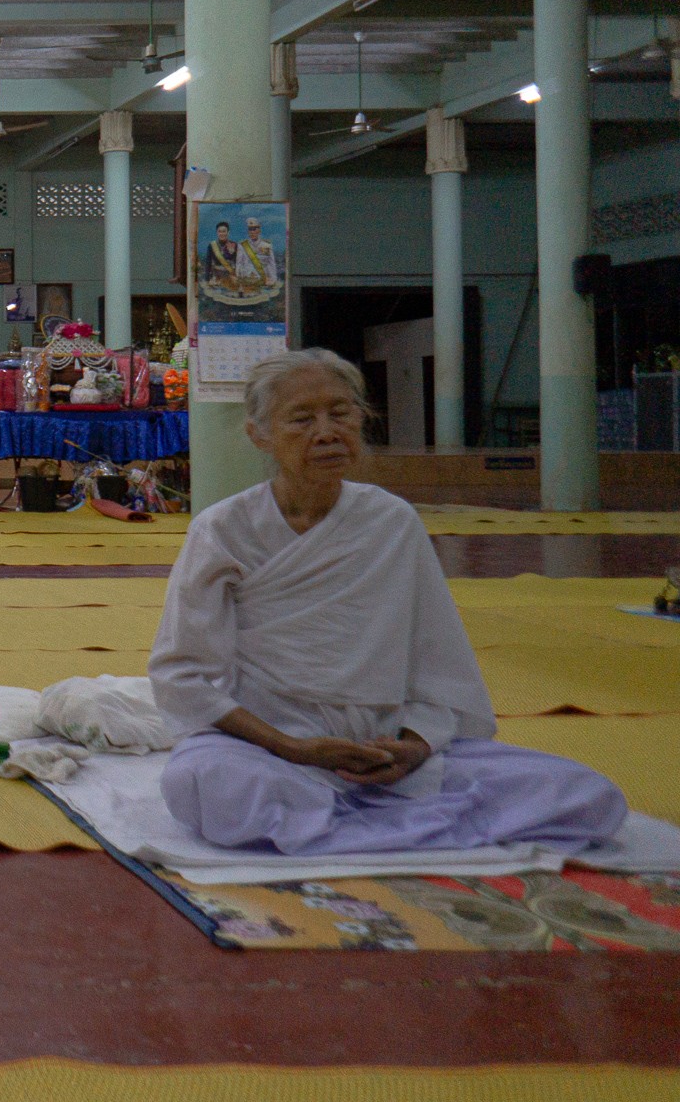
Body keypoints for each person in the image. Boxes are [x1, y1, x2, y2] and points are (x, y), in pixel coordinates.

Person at [149, 349, 627, 856]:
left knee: (587, 795)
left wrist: (413, 746)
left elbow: (438, 659)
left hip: (381, 747)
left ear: (361, 420)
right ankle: (409, 823)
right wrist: (293, 747)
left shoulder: (391, 521)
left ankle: (344, 821)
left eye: (341, 413)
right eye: (302, 419)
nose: (327, 433)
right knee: (204, 784)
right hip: (268, 747)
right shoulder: (223, 529)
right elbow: (182, 673)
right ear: (259, 434)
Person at [234, 217, 278, 292]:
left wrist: (273, 279)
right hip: (247, 281)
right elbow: (239, 264)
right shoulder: (242, 245)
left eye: (254, 229)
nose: (252, 232)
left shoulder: (266, 245)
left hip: (263, 282)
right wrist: (239, 279)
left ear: (259, 230)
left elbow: (271, 264)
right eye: (250, 229)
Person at [202, 221, 240, 291]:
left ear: (228, 232)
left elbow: (238, 262)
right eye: (219, 231)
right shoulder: (212, 245)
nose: (222, 234)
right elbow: (208, 263)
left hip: (231, 275)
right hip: (217, 275)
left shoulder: (234, 245)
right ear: (217, 232)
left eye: (224, 231)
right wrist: (207, 279)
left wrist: (237, 276)